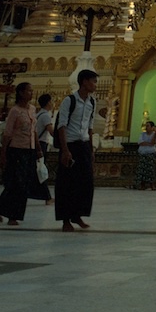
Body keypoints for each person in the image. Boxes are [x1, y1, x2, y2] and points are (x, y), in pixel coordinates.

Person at [55, 70, 99, 231]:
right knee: (67, 183)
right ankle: (66, 219)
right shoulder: (69, 100)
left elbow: (90, 127)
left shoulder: (92, 102)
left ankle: (78, 214)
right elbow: (62, 125)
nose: (95, 85)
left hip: (84, 145)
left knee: (86, 183)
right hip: (70, 145)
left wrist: (91, 150)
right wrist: (65, 150)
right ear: (84, 82)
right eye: (93, 81)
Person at [0, 82, 37, 226]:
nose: (31, 93)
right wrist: (3, 154)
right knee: (16, 183)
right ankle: (12, 215)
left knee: (24, 184)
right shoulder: (15, 111)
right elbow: (7, 134)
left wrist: (39, 150)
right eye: (29, 91)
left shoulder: (32, 109)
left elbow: (33, 131)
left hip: (29, 150)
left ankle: (1, 207)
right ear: (21, 93)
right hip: (16, 150)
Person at [28, 93, 54, 204]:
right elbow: (51, 131)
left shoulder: (38, 115)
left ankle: (44, 195)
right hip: (41, 145)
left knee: (37, 170)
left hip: (34, 144)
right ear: (48, 102)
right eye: (51, 101)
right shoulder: (46, 116)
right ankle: (47, 197)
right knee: (41, 171)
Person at [133, 121, 156, 190]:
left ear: (152, 127)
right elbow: (141, 142)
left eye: (148, 126)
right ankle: (142, 184)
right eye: (146, 126)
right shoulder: (142, 134)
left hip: (150, 154)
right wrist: (148, 143)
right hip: (143, 153)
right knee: (142, 170)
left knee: (151, 170)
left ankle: (152, 185)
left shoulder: (155, 135)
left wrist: (155, 134)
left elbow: (153, 142)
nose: (146, 127)